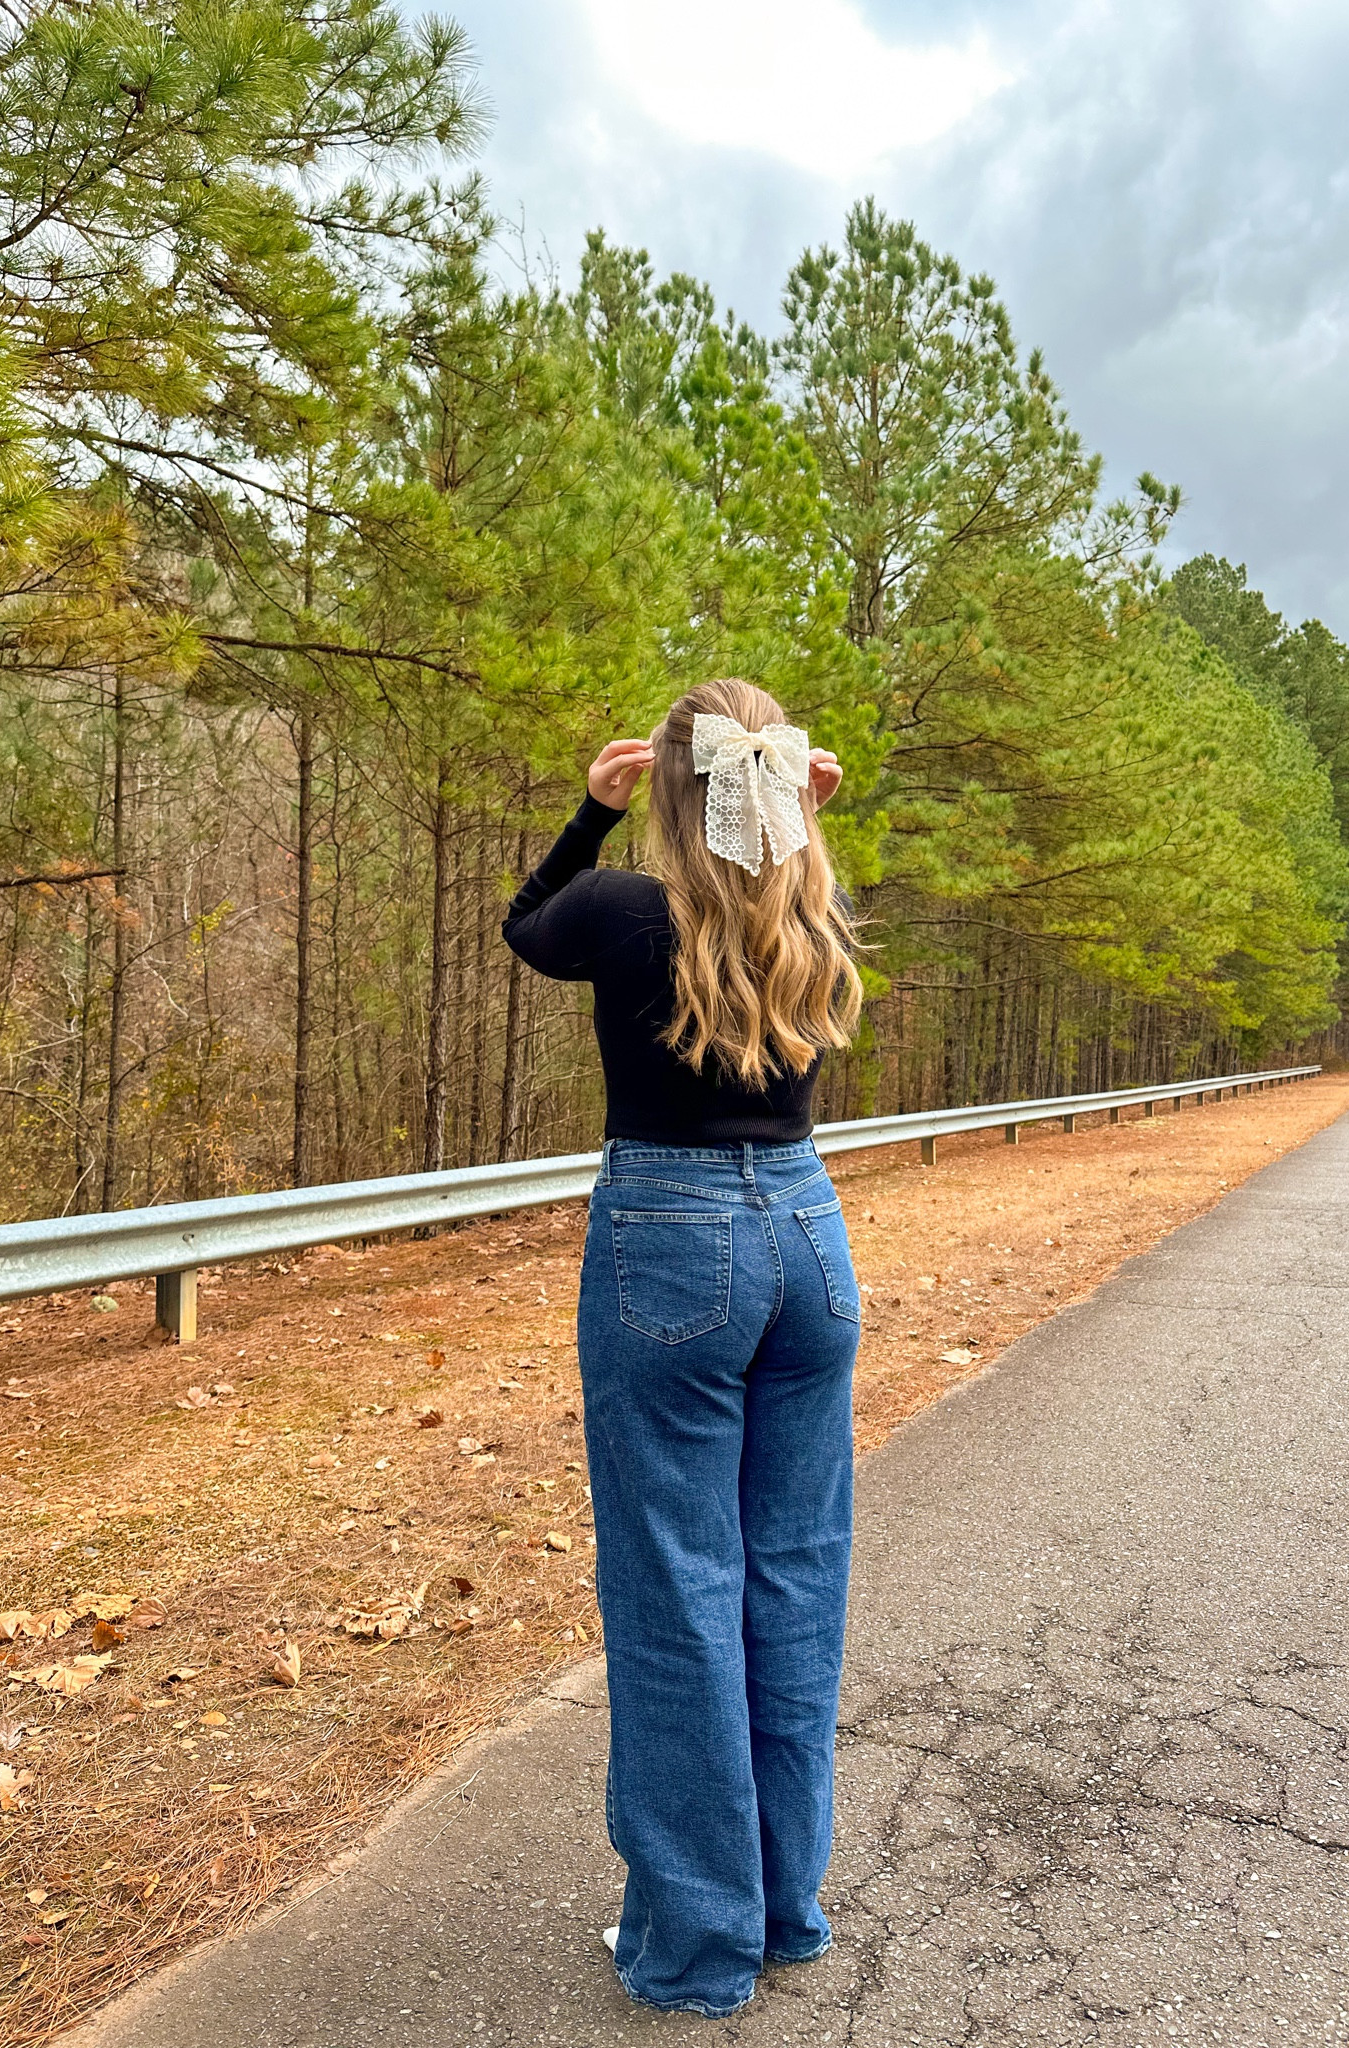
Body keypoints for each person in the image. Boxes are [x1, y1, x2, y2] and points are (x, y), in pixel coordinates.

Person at [502, 677, 864, 2017]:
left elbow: (523, 924)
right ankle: (782, 1908)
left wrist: (586, 818)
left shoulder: (619, 912)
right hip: (809, 1242)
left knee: (677, 1595)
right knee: (793, 1580)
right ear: (779, 791)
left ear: (663, 787)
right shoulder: (812, 914)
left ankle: (696, 1949)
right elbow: (784, 857)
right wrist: (802, 809)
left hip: (671, 1243)